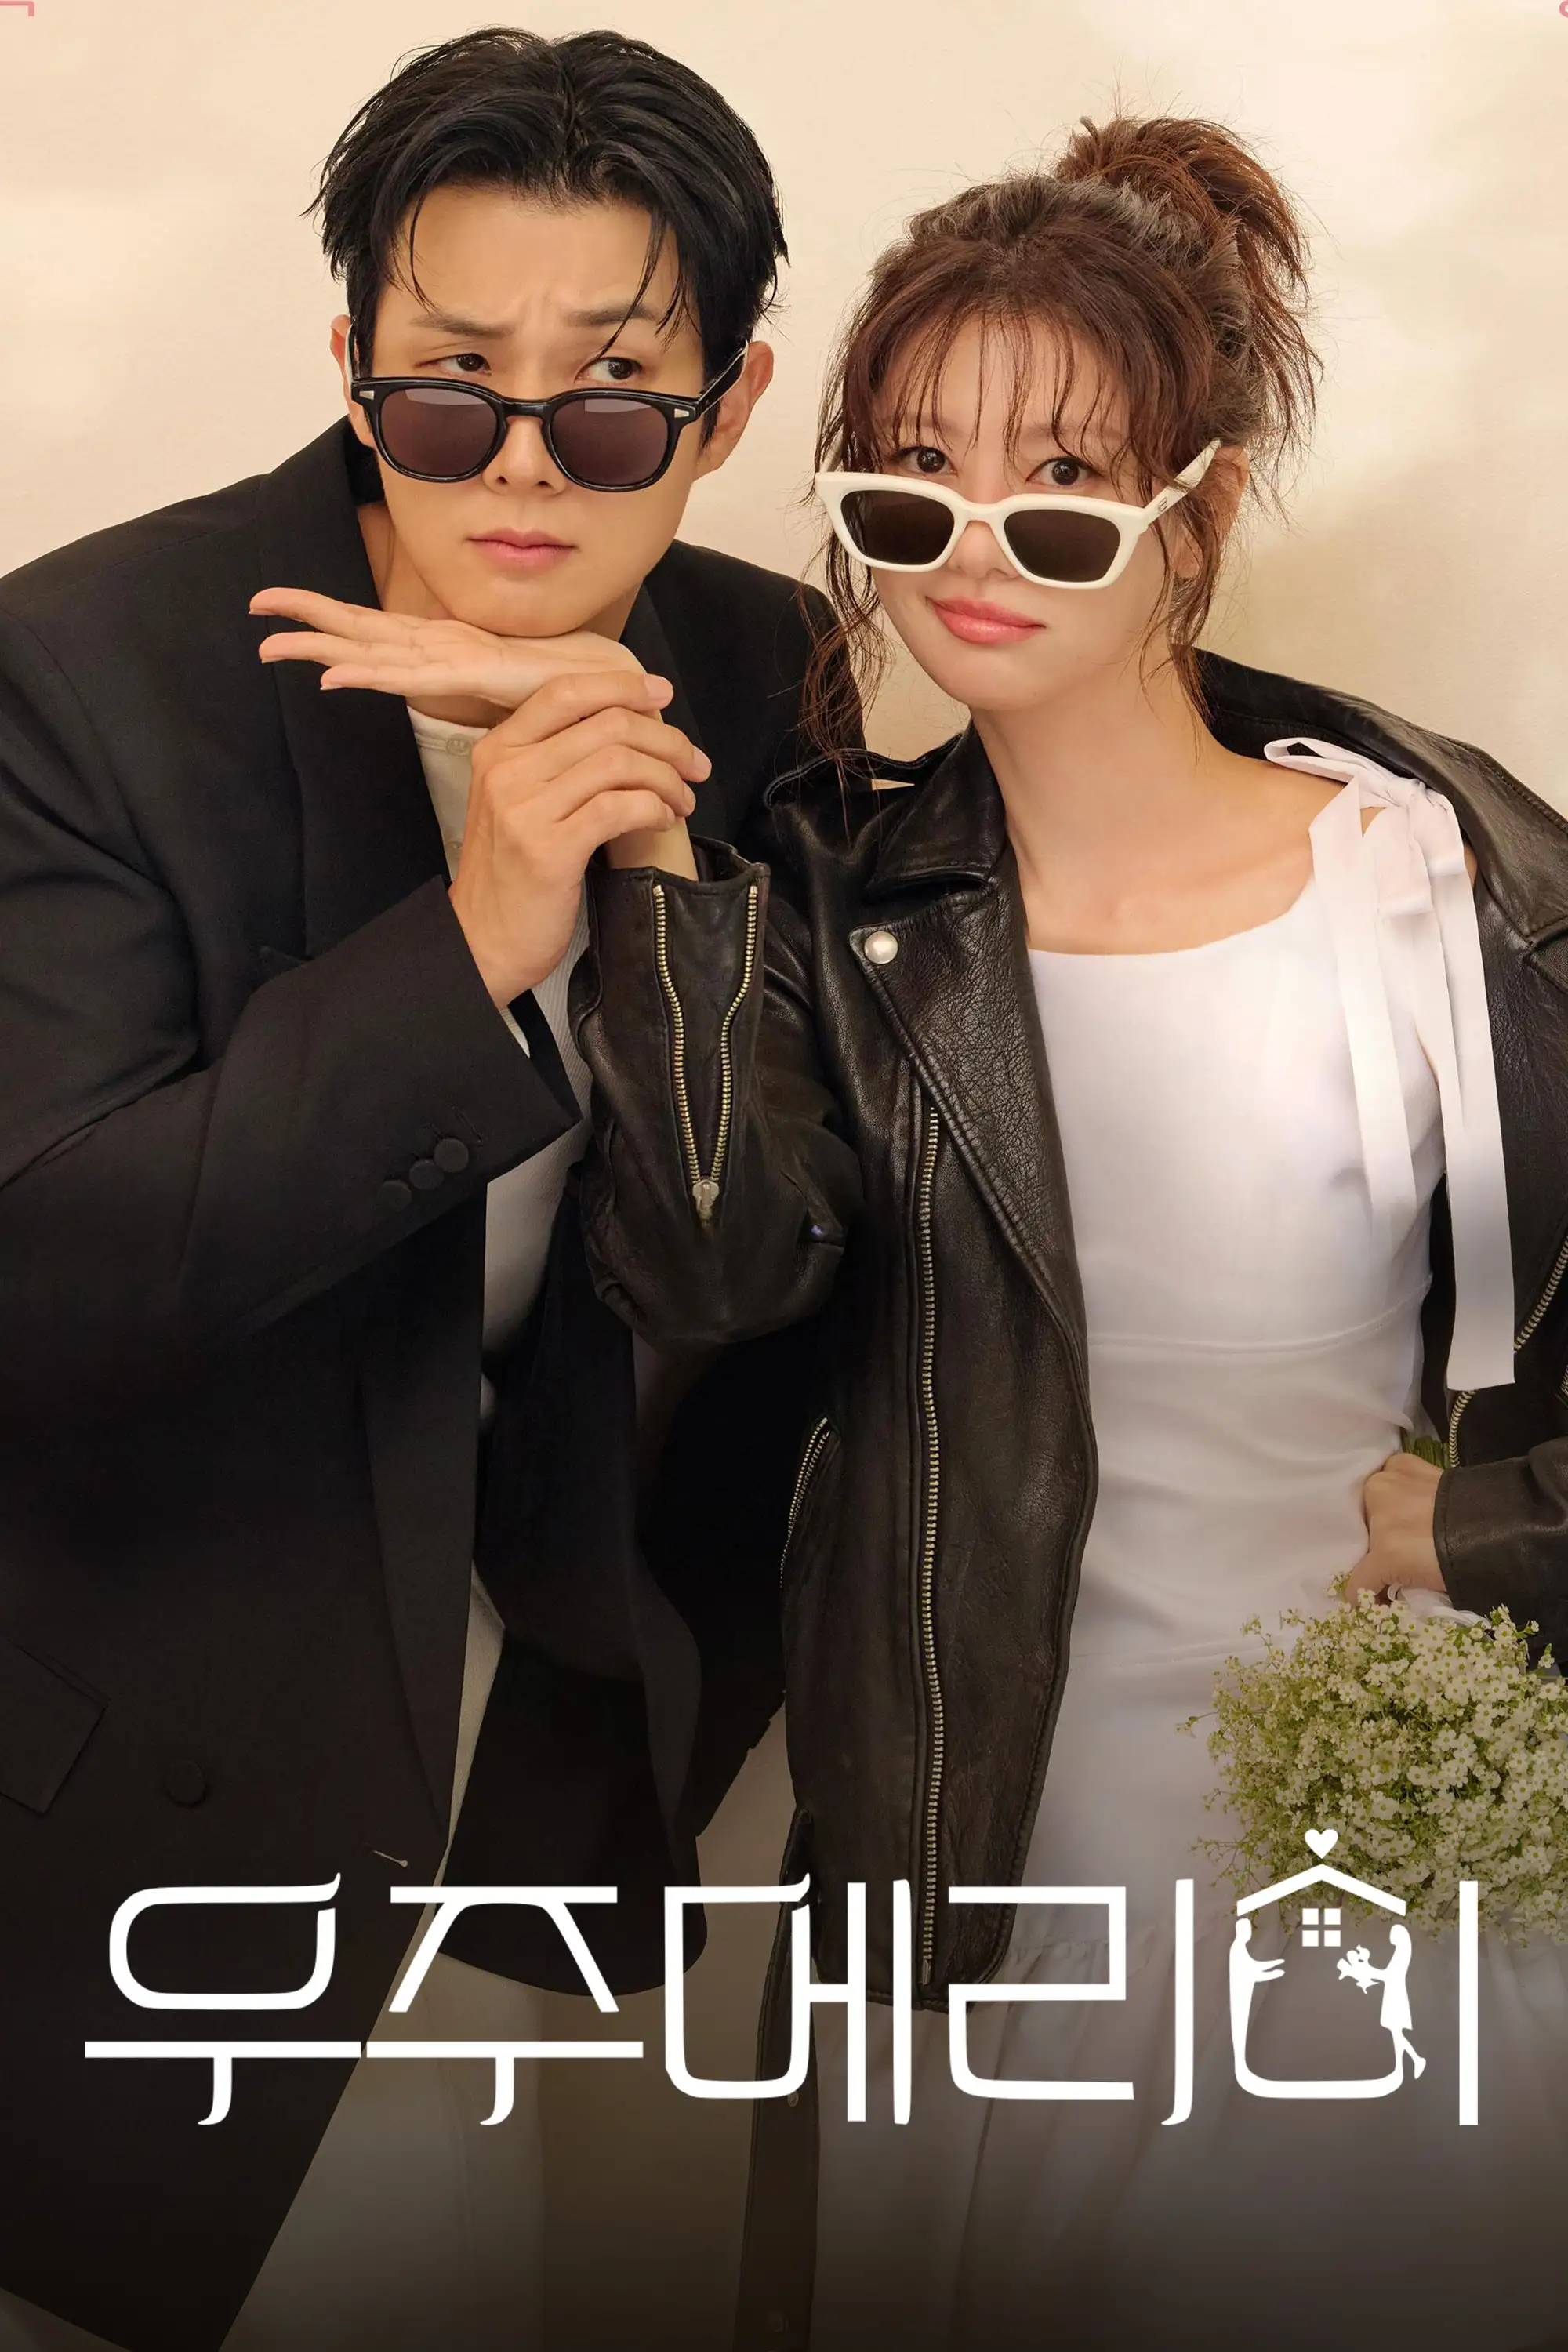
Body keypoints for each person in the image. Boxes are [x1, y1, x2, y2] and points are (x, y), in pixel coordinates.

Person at [567, 114, 1568, 2351]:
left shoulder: (1443, 894)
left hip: (1369, 1833)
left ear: (1199, 509)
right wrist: (658, 883)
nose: (971, 557)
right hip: (970, 1839)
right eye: (908, 489)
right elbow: (715, 1274)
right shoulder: (823, 902)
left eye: (1060, 492)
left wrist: (1488, 1533)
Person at [0, 27, 844, 2352]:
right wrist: (475, 938)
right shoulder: (87, 673)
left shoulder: (764, 671)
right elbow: (49, 1271)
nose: (525, 468)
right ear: (352, 365)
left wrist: (656, 873)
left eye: (613, 411)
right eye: (451, 393)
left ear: (732, 410)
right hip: (147, 1779)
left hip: (527, 1782)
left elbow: (775, 1240)